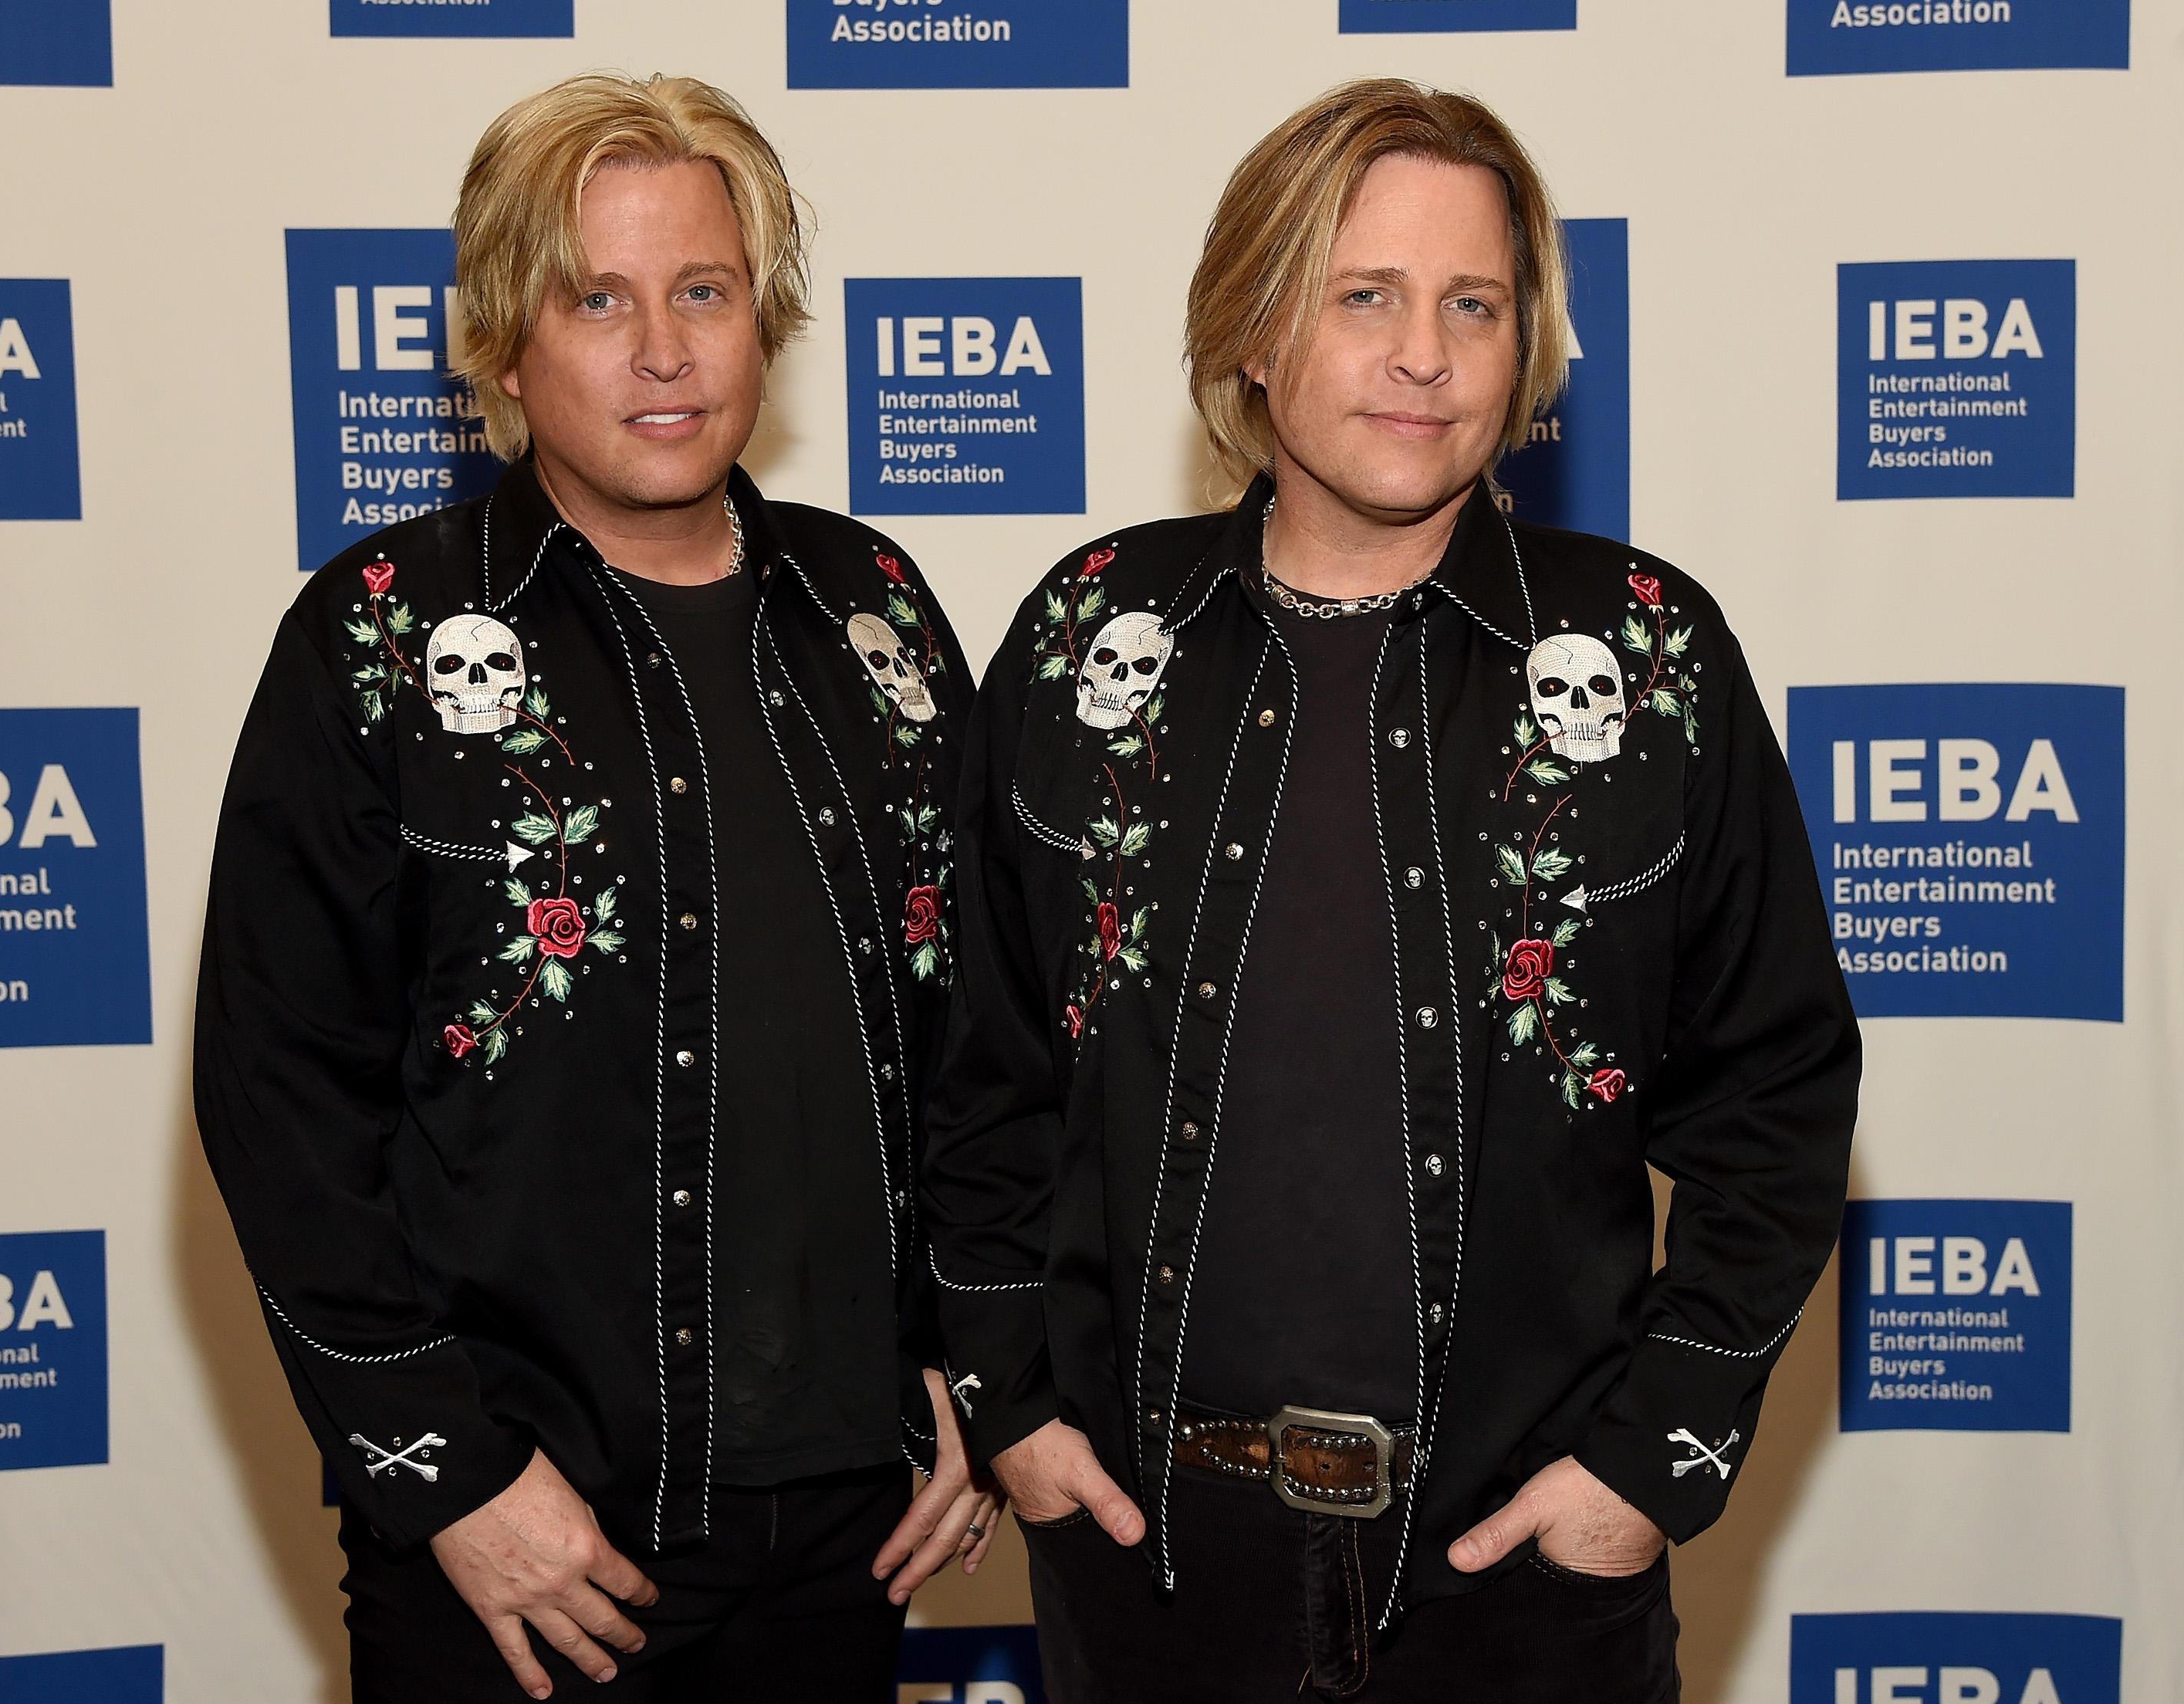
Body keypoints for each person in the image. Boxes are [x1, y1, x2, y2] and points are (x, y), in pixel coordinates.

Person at [921, 78, 1860, 1702]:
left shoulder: (1645, 654)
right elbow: (979, 1070)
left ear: (1525, 347)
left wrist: (1644, 1472)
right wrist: (1014, 1410)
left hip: (1518, 1580)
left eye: (1473, 303)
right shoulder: (1088, 636)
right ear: (1256, 332)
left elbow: (1775, 1098)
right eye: (1365, 295)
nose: (1425, 352)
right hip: (1148, 1566)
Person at [194, 73, 996, 1704]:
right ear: (504, 340)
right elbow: (280, 1101)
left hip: (849, 1522)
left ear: (763, 320)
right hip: (523, 1542)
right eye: (597, 298)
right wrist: (453, 1482)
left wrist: (989, 1367)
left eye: (703, 291)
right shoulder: (381, 638)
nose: (662, 349)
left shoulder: (879, 613)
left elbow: (987, 1045)